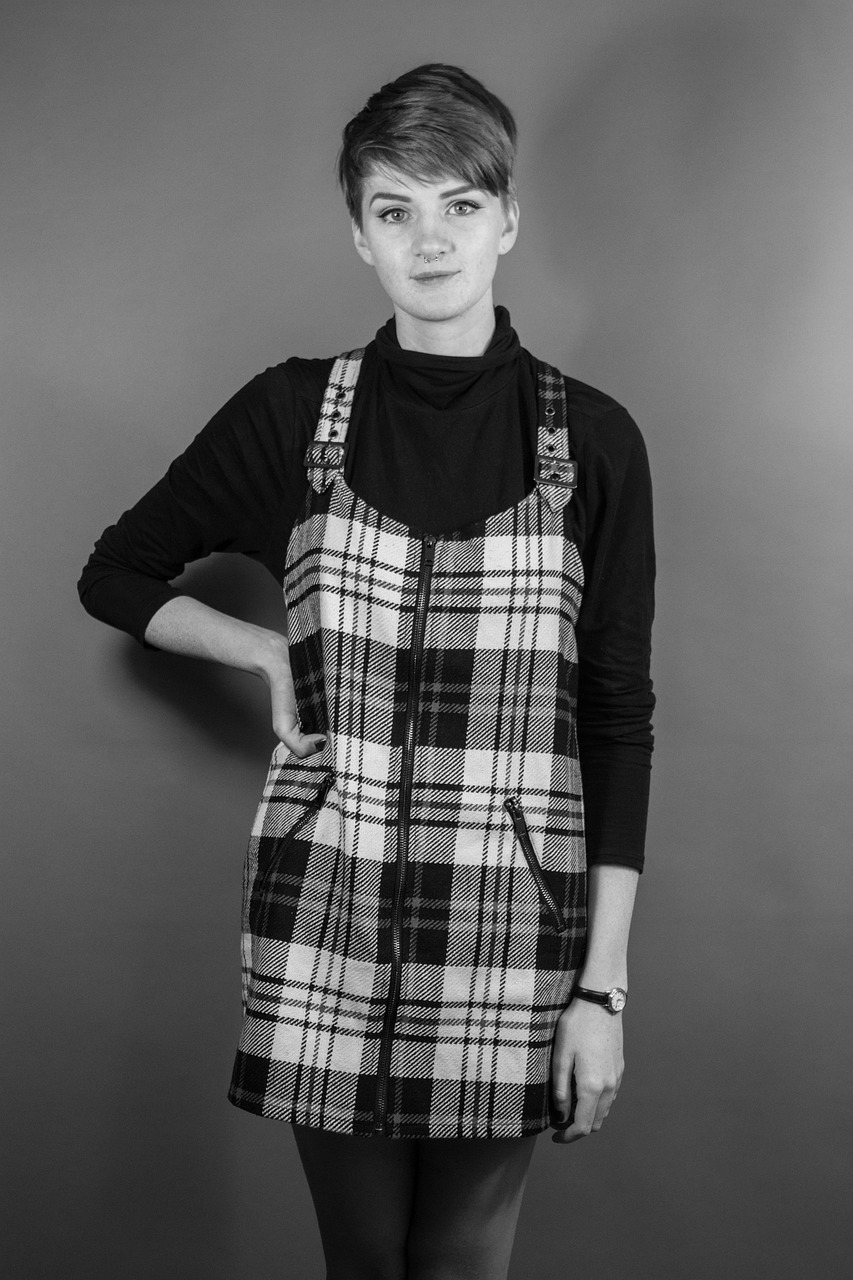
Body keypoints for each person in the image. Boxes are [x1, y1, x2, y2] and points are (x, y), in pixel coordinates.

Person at [79, 63, 655, 1280]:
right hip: (325, 911)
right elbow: (115, 572)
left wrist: (599, 993)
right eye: (395, 210)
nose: (429, 240)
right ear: (358, 233)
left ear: (508, 219)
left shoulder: (595, 441)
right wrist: (256, 645)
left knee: (460, 1260)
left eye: (459, 205)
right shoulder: (293, 413)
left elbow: (615, 719)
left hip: (510, 923)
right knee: (359, 1257)